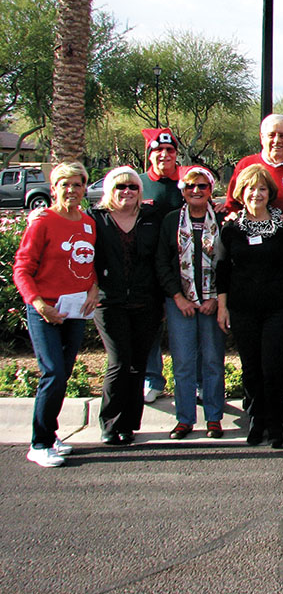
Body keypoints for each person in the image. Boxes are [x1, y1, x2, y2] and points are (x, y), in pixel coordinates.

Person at [224, 113, 283, 407]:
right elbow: (230, 205)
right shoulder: (246, 166)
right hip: (249, 260)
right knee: (255, 334)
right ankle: (257, 394)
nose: (277, 140)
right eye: (271, 135)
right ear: (262, 137)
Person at [13, 162, 98, 468]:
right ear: (53, 189)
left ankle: (51, 434)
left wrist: (92, 291)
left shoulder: (88, 223)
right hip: (45, 310)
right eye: (65, 185)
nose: (72, 190)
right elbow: (22, 268)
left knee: (63, 374)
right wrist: (37, 304)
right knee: (53, 374)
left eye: (77, 184)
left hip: (74, 310)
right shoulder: (43, 221)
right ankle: (39, 443)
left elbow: (90, 265)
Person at [218, 165, 283, 449]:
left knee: (273, 367)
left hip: (279, 308)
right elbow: (221, 271)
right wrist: (222, 306)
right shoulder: (231, 229)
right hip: (243, 308)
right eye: (250, 189)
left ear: (270, 193)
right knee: (251, 369)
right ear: (241, 193)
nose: (256, 194)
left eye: (262, 189)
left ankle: (276, 424)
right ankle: (256, 420)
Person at [91, 166, 163, 445]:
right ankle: (109, 422)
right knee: (119, 362)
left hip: (146, 302)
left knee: (138, 365)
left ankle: (129, 424)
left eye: (133, 187)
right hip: (110, 303)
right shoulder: (96, 220)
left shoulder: (151, 219)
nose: (127, 192)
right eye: (120, 187)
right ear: (110, 190)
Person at [156, 166, 226, 440]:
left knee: (212, 361)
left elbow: (228, 263)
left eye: (202, 186)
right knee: (183, 362)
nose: (196, 191)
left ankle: (213, 418)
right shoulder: (171, 220)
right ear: (182, 191)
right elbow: (162, 262)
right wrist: (178, 297)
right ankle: (185, 418)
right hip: (179, 303)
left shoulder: (221, 221)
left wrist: (214, 298)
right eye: (190, 187)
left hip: (212, 303)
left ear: (211, 190)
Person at [140, 127, 185, 404]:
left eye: (170, 150)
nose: (164, 155)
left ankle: (194, 381)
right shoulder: (139, 183)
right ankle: (152, 378)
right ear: (150, 155)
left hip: (183, 266)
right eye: (158, 151)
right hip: (146, 266)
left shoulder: (187, 183)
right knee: (151, 325)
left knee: (187, 328)